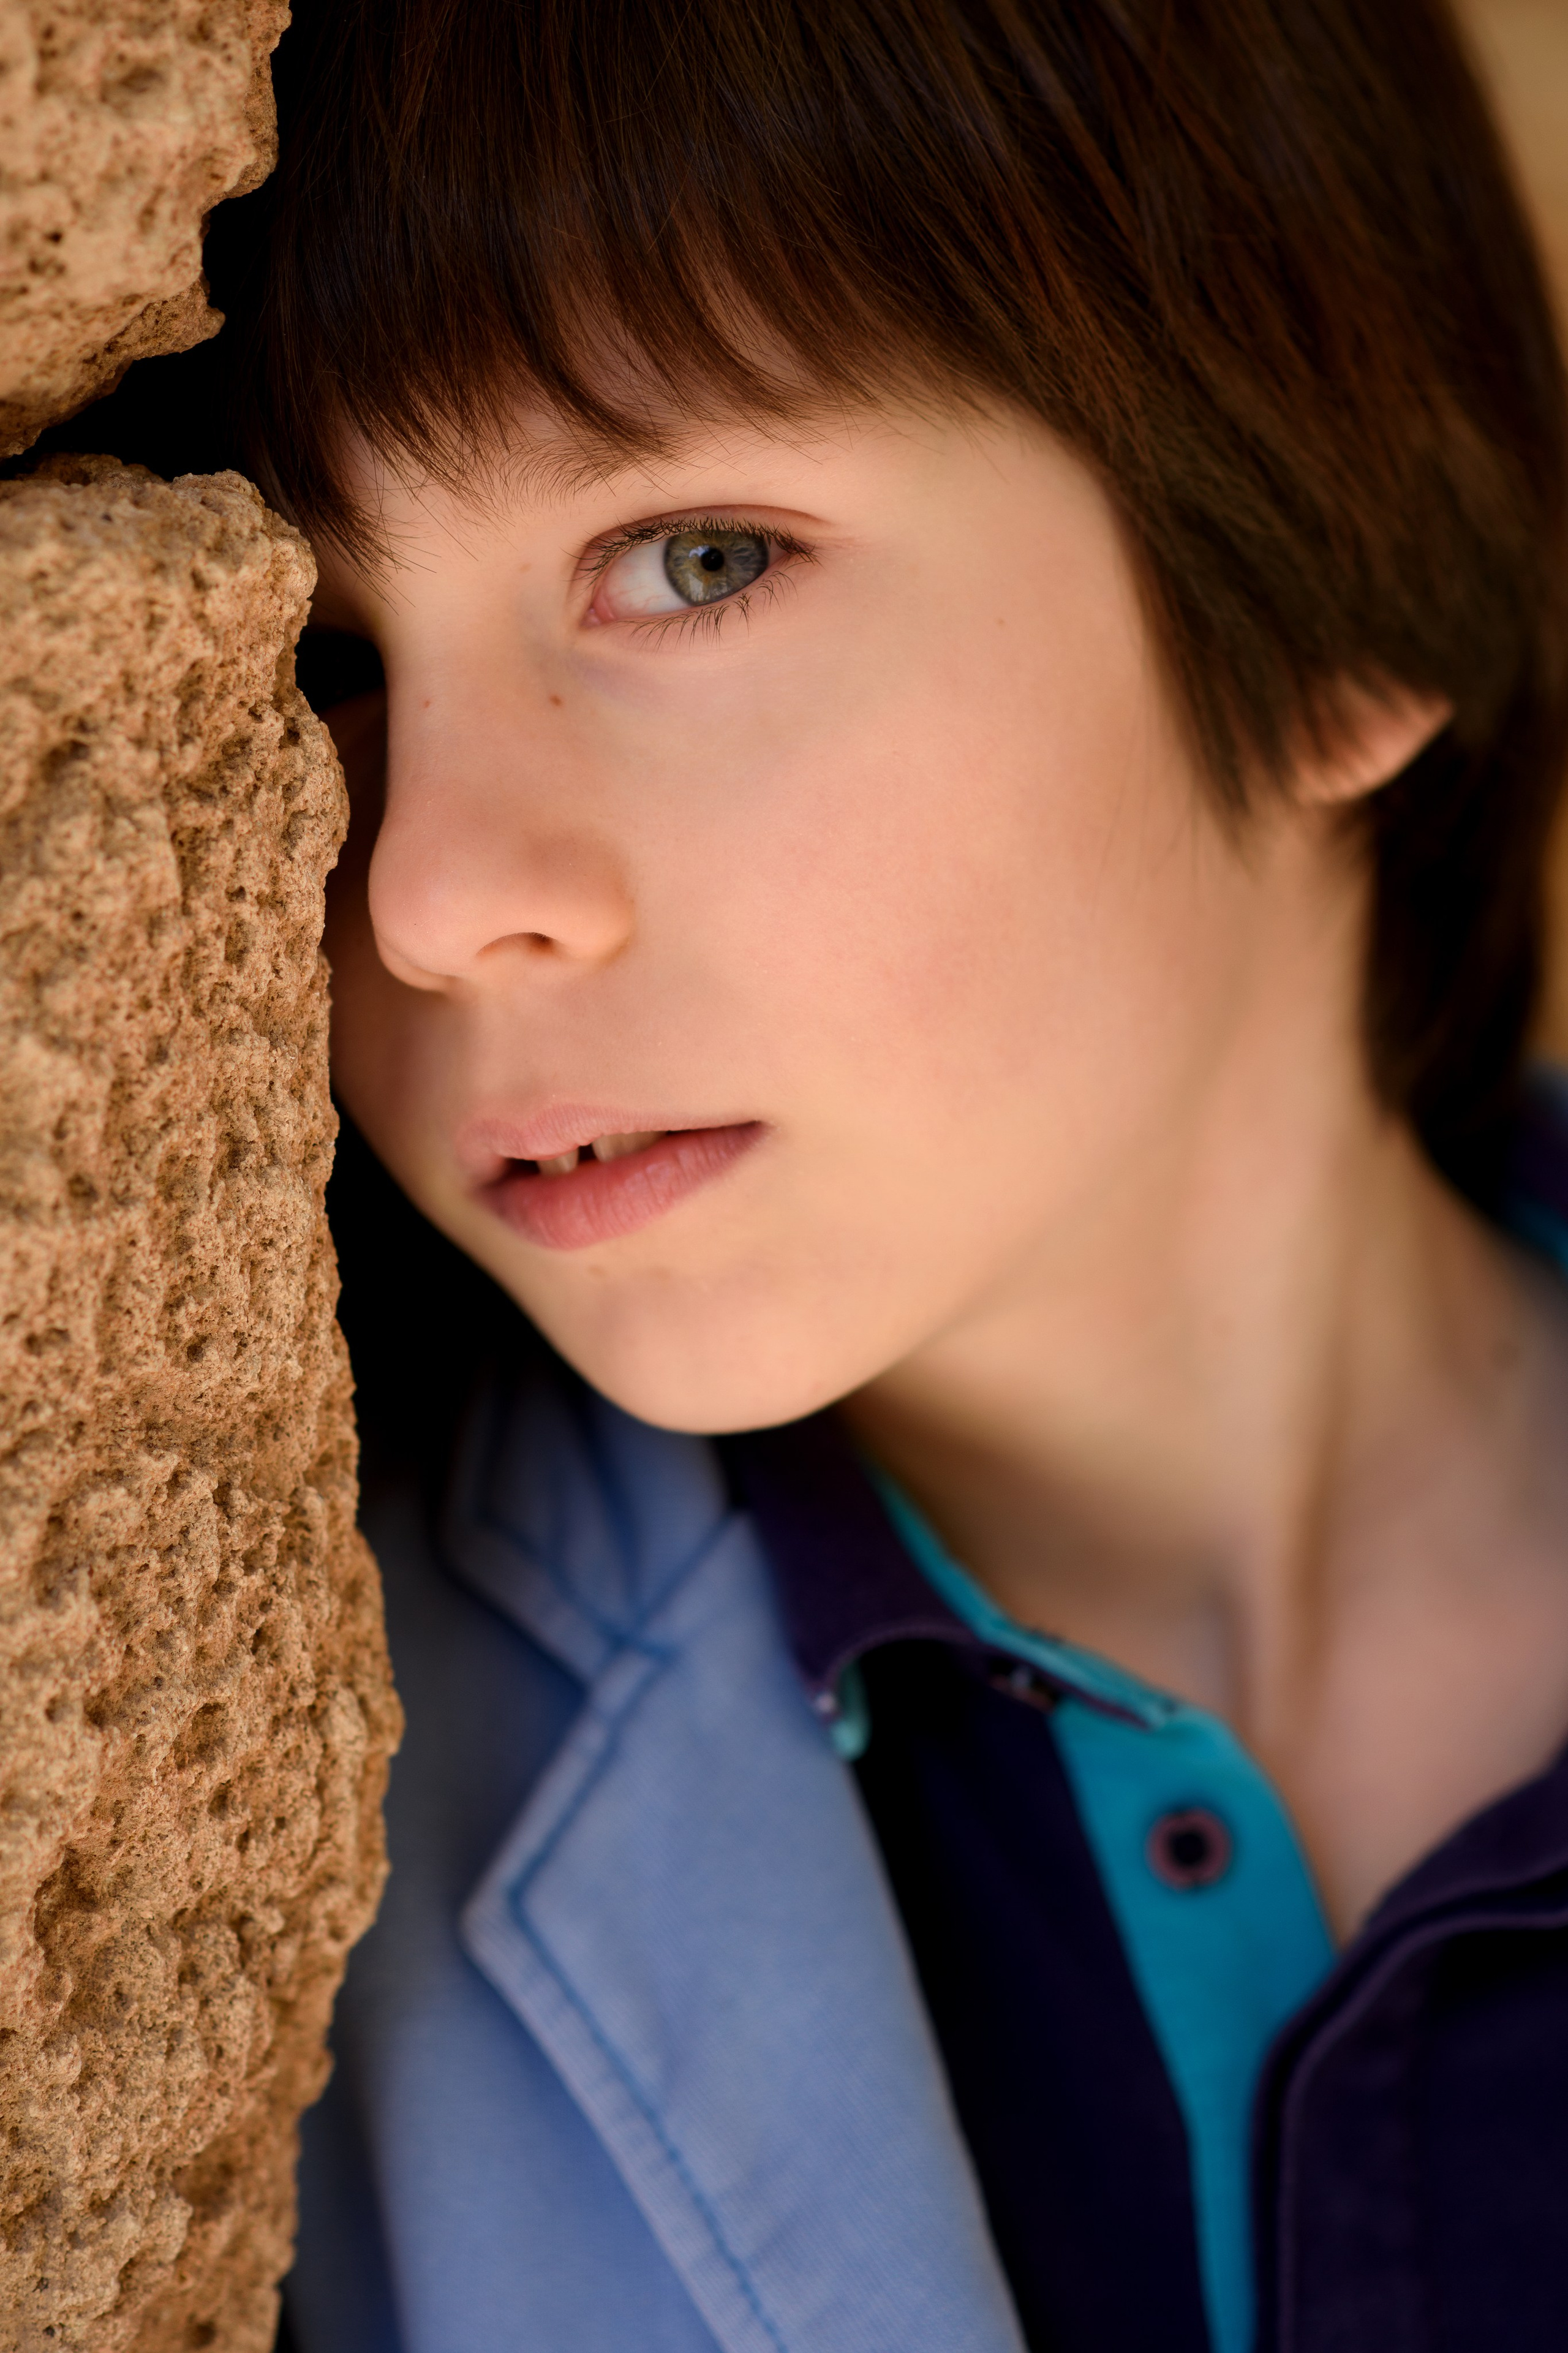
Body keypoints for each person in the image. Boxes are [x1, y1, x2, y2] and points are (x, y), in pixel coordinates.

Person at [232, 1, 1568, 2346]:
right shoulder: (235, 1852)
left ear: (1351, 583)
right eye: (327, 663)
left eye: (699, 555)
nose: (430, 886)